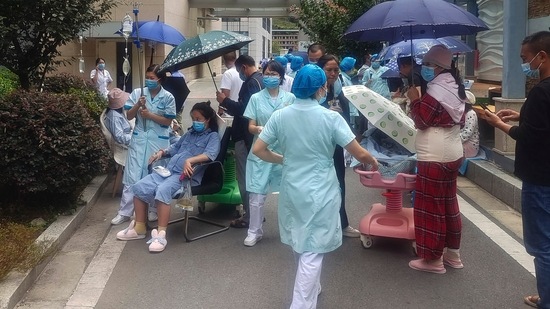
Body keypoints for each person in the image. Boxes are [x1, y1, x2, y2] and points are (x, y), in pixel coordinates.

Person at [252, 64, 378, 309]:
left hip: (291, 186)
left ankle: (312, 287)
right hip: (320, 188)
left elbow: (259, 149)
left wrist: (282, 159)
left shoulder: (281, 115)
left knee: (302, 240)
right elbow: (358, 152)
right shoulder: (330, 117)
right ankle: (300, 304)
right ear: (322, 88)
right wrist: (371, 160)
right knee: (313, 247)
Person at [481, 31, 550, 309]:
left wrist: (497, 123)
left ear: (541, 56)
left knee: (542, 247)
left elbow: (530, 136)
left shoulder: (541, 92)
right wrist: (522, 115)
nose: (526, 64)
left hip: (540, 179)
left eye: (526, 58)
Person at [116, 102, 220, 253]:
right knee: (138, 187)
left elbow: (210, 155)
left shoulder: (212, 137)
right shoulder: (190, 134)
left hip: (186, 176)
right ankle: (139, 228)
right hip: (169, 171)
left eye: (199, 119)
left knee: (162, 190)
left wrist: (190, 160)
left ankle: (161, 235)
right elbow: (175, 147)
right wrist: (162, 153)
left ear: (208, 119)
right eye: (193, 119)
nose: (195, 122)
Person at [406, 45, 466, 274]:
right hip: (453, 152)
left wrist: (414, 100)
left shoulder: (437, 91)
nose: (425, 68)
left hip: (434, 156)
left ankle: (433, 260)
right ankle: (453, 255)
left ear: (439, 67)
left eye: (429, 64)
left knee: (430, 207)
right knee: (449, 204)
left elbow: (422, 121)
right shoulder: (454, 86)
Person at [110, 64, 176, 225]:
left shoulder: (168, 97)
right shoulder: (138, 92)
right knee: (132, 175)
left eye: (152, 78)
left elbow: (167, 121)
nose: (149, 80)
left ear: (160, 79)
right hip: (139, 139)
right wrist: (138, 105)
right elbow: (129, 115)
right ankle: (125, 212)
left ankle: (153, 209)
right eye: (147, 77)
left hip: (157, 140)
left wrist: (150, 115)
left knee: (155, 175)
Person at [242, 60, 296, 247]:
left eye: (274, 74)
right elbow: (249, 127)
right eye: (267, 73)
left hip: (283, 150)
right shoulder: (256, 98)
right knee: (256, 194)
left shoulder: (290, 98)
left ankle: (291, 229)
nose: (270, 77)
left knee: (290, 193)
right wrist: (257, 128)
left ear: (281, 77)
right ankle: (254, 231)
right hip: (261, 150)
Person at [216, 55, 264, 229]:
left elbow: (245, 110)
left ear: (244, 67)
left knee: (245, 178)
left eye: (239, 71)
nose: (239, 75)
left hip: (245, 137)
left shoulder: (252, 83)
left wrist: (225, 101)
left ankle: (250, 217)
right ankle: (255, 214)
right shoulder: (260, 80)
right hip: (253, 137)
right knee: (253, 178)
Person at [317, 54, 361, 238]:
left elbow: (345, 112)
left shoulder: (339, 86)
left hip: (335, 144)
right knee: (319, 186)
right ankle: (321, 227)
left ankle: (342, 223)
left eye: (336, 69)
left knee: (339, 183)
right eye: (329, 70)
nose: (333, 73)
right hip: (317, 145)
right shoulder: (314, 89)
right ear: (321, 70)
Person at [461, 91, 480, 158]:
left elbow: (467, 133)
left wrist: (455, 141)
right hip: (461, 142)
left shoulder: (471, 114)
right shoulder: (462, 113)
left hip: (470, 145)